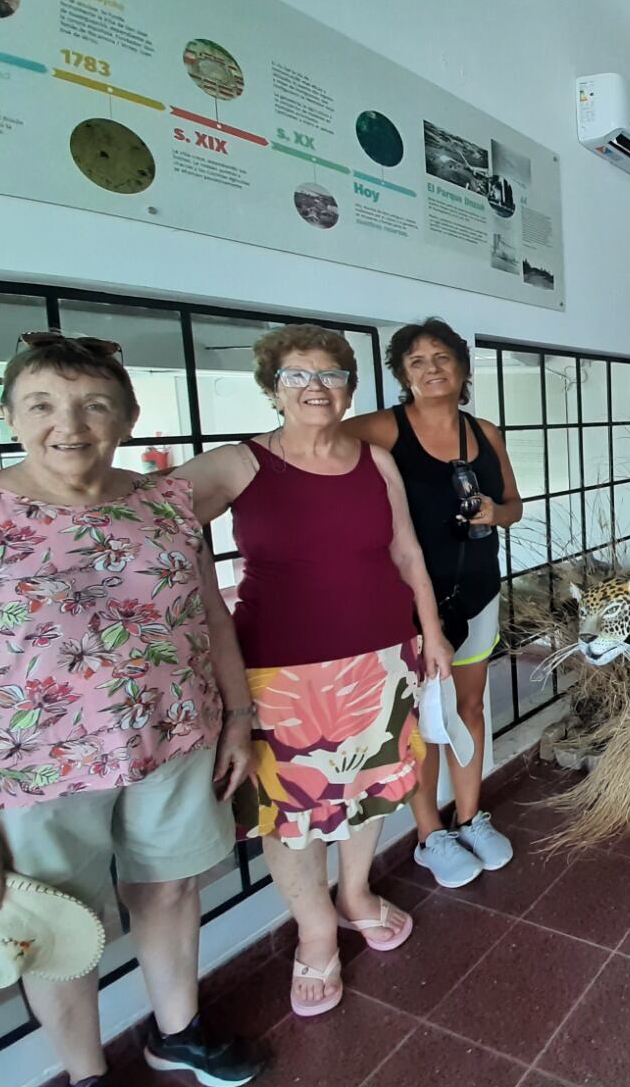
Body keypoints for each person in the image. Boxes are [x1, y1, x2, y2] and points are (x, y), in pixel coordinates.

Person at [0, 333, 265, 1086]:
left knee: (169, 890)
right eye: (42, 404)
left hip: (175, 743)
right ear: (8, 415)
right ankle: (86, 1073)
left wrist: (237, 717)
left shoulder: (164, 505)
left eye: (94, 404)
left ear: (128, 418)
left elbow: (210, 615)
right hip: (32, 773)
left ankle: (177, 1032)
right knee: (57, 930)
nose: (68, 424)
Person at [179, 324, 452, 1015]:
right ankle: (317, 933)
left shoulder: (375, 461)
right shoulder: (241, 464)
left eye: (329, 375)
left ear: (349, 387)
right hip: (280, 676)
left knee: (370, 792)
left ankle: (356, 892)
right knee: (291, 814)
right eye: (297, 376)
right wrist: (1, 482)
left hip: (384, 660)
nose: (315, 388)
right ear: (273, 389)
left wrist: (433, 635)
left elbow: (409, 556)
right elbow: (141, 510)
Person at [342, 318, 521, 890]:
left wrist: (497, 513)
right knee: (420, 719)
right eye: (415, 360)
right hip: (409, 601)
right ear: (400, 374)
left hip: (477, 590)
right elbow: (313, 446)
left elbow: (513, 504)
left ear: (463, 369)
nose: (430, 368)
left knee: (469, 707)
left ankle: (470, 817)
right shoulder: (382, 429)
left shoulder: (486, 432)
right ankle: (428, 836)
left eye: (441, 357)